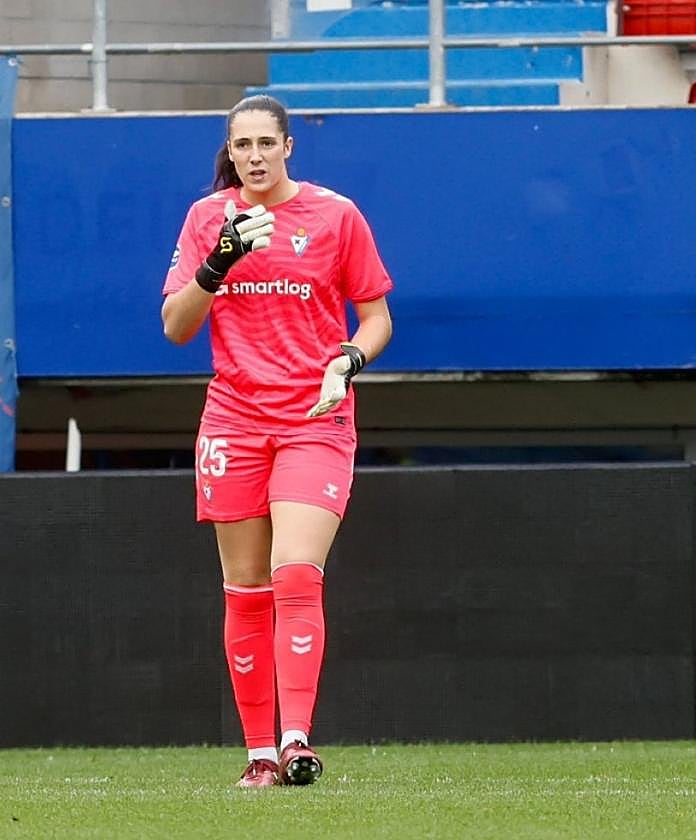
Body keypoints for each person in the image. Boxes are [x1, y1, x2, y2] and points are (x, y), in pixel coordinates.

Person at [160, 94, 394, 788]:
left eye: (267, 143)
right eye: (243, 147)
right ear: (228, 153)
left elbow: (376, 315)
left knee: (297, 571)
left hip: (314, 417)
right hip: (233, 418)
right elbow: (176, 324)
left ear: (290, 145)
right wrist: (217, 264)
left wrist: (350, 358)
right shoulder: (209, 218)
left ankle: (296, 741)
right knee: (244, 589)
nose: (255, 157)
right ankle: (259, 754)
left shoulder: (335, 215)